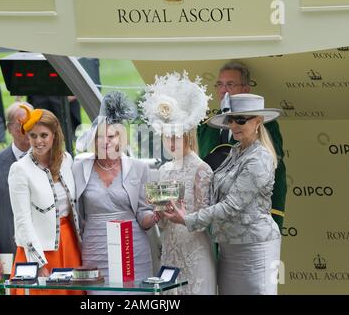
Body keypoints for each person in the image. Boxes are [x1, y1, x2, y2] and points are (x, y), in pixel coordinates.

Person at [164, 93, 282, 295]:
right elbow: (214, 193)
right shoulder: (237, 151)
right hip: (229, 247)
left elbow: (232, 205)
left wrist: (188, 219)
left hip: (254, 249)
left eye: (241, 119)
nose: (234, 125)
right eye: (231, 119)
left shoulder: (260, 158)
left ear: (258, 121)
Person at [73, 91, 159, 295]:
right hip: (96, 249)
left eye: (111, 136)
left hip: (133, 250)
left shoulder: (139, 168)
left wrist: (156, 215)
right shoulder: (79, 167)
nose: (106, 142)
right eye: (100, 137)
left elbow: (143, 214)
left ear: (120, 138)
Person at [139, 71, 217, 295]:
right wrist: (159, 214)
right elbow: (163, 223)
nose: (171, 143)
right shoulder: (163, 170)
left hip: (194, 250)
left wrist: (183, 217)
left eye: (176, 136)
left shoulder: (201, 169)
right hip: (170, 251)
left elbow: (204, 220)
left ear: (188, 135)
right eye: (167, 137)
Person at [197, 61, 287, 229]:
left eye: (230, 84)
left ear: (246, 89)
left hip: (250, 222)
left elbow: (278, 170)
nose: (224, 89)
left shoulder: (266, 125)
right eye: (220, 84)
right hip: (213, 220)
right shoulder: (205, 126)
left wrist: (275, 214)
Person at [8, 106, 82, 295]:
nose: (38, 141)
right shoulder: (20, 169)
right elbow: (22, 221)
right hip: (40, 251)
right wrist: (39, 262)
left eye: (44, 135)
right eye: (33, 136)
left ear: (55, 135)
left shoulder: (67, 160)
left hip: (70, 245)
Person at [0, 102, 33, 282]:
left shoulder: (50, 159)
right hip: (12, 250)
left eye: (31, 123)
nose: (27, 129)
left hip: (48, 250)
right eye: (21, 125)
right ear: (9, 128)